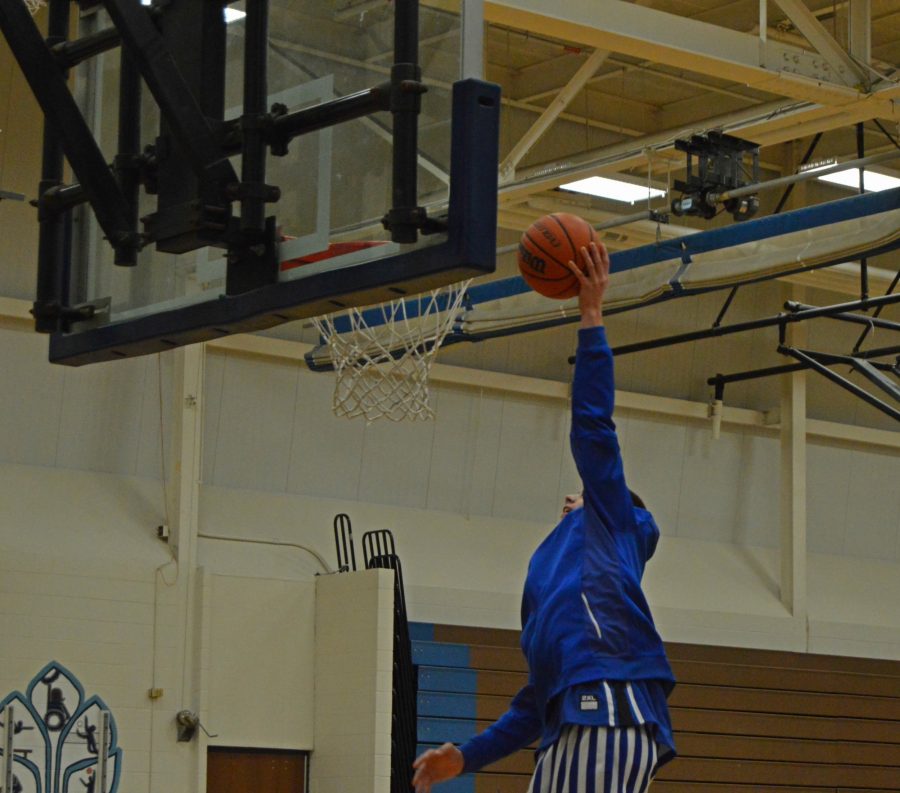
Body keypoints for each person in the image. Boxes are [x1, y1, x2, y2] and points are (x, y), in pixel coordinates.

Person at [412, 241, 676, 793]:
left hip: (608, 708)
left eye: (583, 491)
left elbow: (593, 427)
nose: (571, 496)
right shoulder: (547, 579)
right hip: (571, 721)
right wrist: (465, 757)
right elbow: (534, 703)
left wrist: (591, 315)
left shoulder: (611, 520)